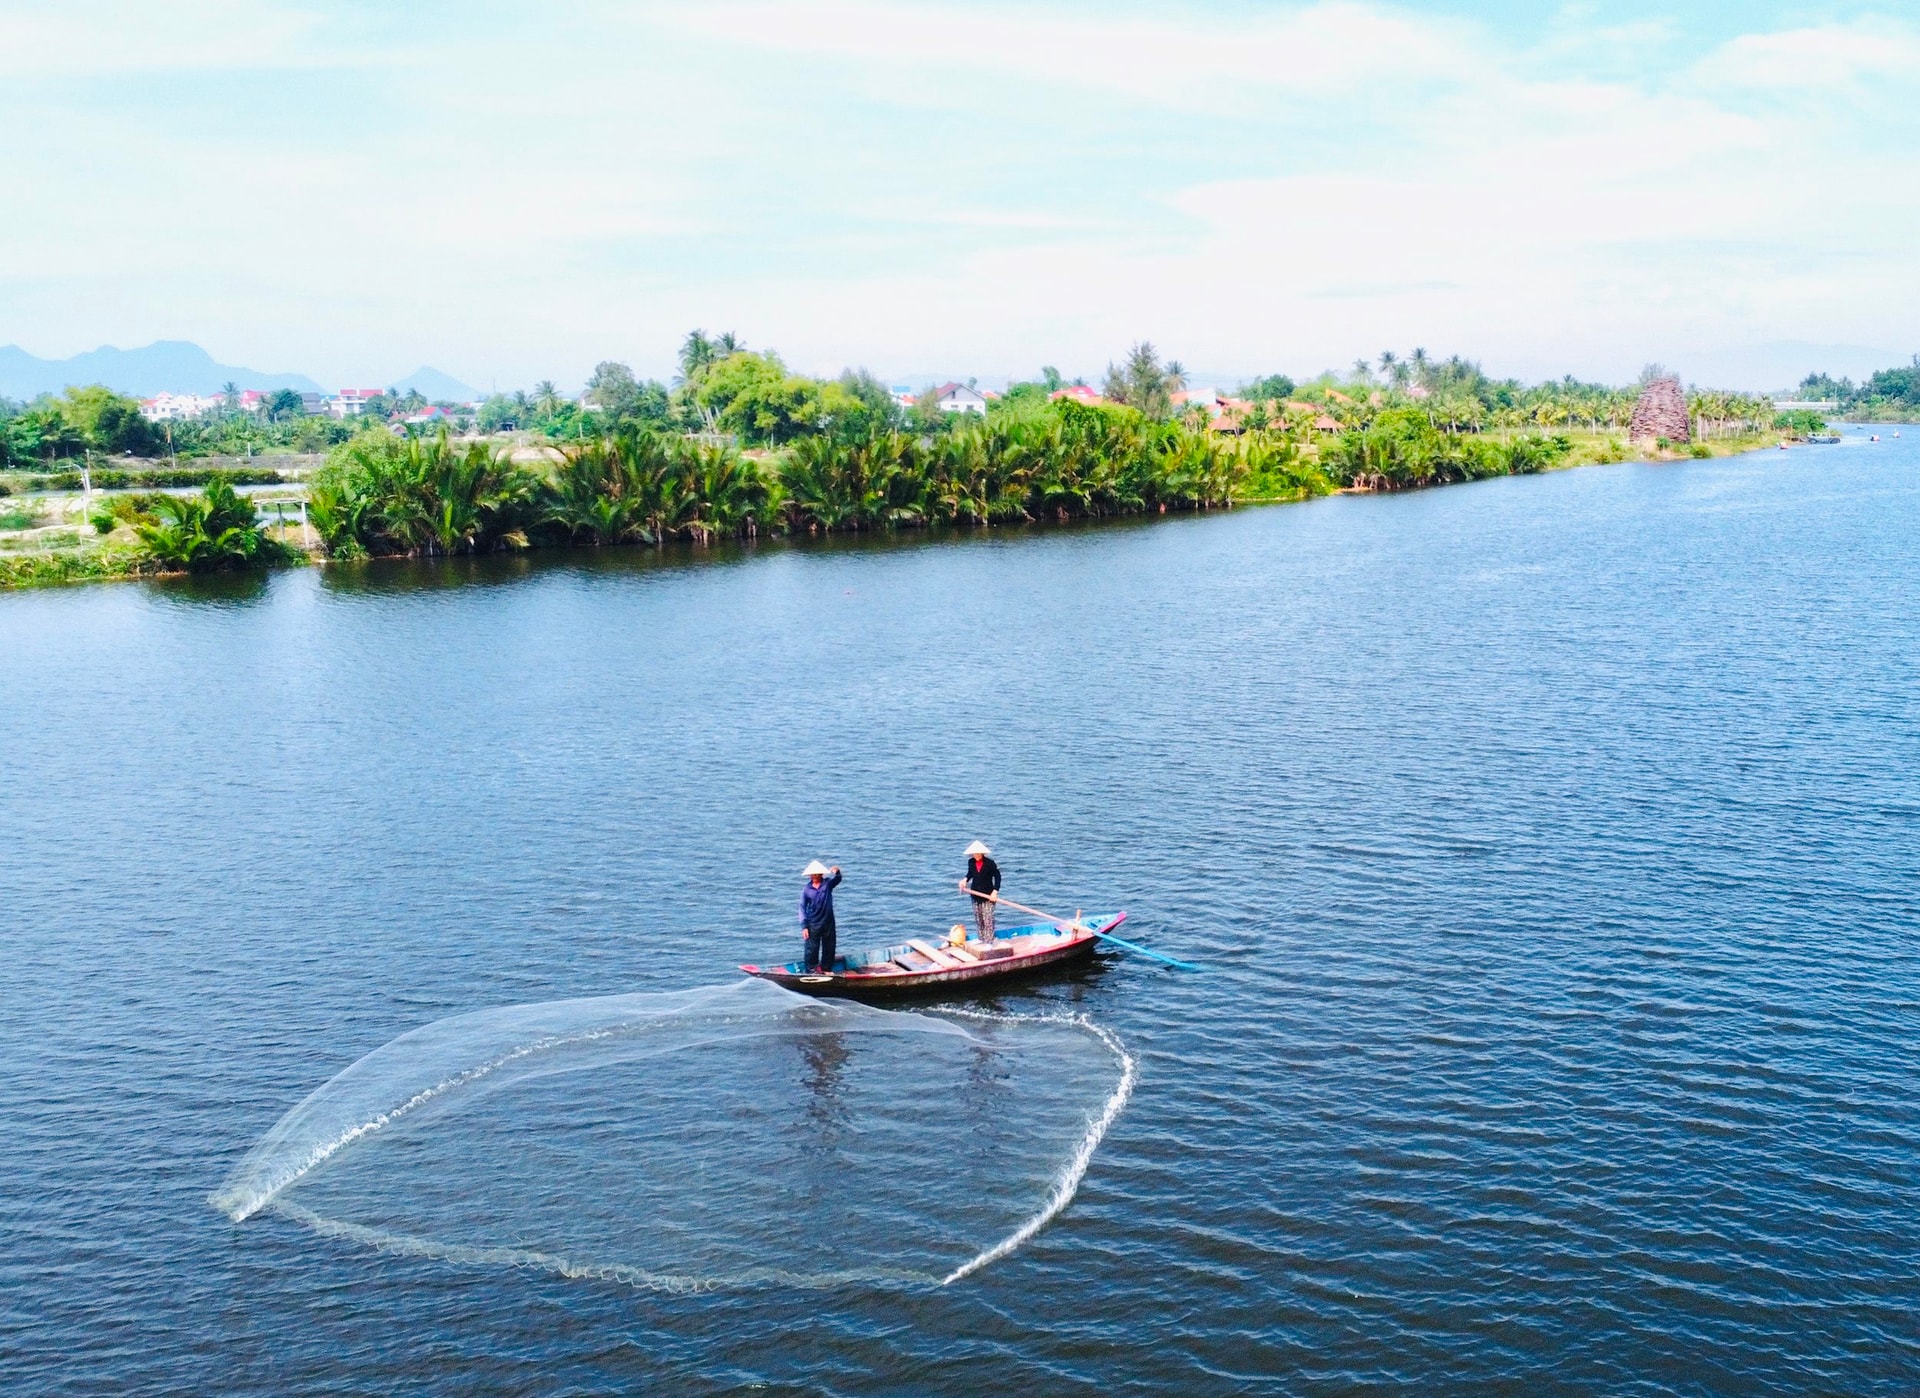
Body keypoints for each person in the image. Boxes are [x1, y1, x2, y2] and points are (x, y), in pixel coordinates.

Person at [799, 860, 842, 974]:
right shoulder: (807, 890)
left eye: (817, 874)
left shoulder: (827, 884)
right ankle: (811, 970)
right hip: (813, 923)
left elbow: (837, 879)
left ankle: (826, 969)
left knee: (829, 946)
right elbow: (802, 908)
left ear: (821, 874)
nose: (815, 876)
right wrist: (804, 927)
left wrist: (837, 871)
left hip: (828, 922)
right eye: (813, 874)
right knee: (811, 949)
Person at [958, 840, 1001, 941]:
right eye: (974, 853)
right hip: (975, 894)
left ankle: (989, 941)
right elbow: (970, 874)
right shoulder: (971, 862)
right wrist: (965, 879)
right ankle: (981, 939)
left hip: (988, 896)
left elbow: (997, 876)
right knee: (979, 919)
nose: (976, 855)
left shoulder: (990, 863)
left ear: (982, 853)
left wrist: (995, 891)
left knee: (988, 920)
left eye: (978, 853)